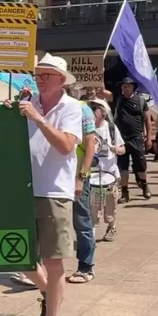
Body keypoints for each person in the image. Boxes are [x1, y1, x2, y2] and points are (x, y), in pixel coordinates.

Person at [4, 53, 82, 316]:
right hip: (23, 190)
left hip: (54, 193)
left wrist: (38, 119)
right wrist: (7, 112)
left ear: (61, 80)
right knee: (15, 255)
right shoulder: (27, 104)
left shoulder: (72, 108)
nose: (40, 79)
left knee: (53, 260)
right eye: (38, 74)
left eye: (47, 75)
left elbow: (65, 147)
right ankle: (49, 294)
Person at [65, 85, 97, 284]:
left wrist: (81, 177)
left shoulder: (82, 109)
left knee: (82, 222)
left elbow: (90, 145)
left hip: (76, 177)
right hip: (55, 176)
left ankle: (85, 267)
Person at [89, 99, 125, 242]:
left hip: (110, 175)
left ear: (103, 112)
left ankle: (111, 226)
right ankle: (90, 235)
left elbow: (123, 148)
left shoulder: (111, 128)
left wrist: (117, 149)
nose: (92, 111)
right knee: (93, 207)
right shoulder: (86, 128)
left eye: (95, 108)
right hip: (92, 176)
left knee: (110, 206)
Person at [114, 77, 152, 202]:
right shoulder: (118, 100)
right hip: (121, 140)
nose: (125, 88)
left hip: (137, 138)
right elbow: (102, 92)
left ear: (133, 87)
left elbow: (147, 120)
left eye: (128, 86)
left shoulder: (141, 101)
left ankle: (144, 186)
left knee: (141, 165)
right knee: (123, 167)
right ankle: (125, 193)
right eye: (124, 86)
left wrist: (149, 138)